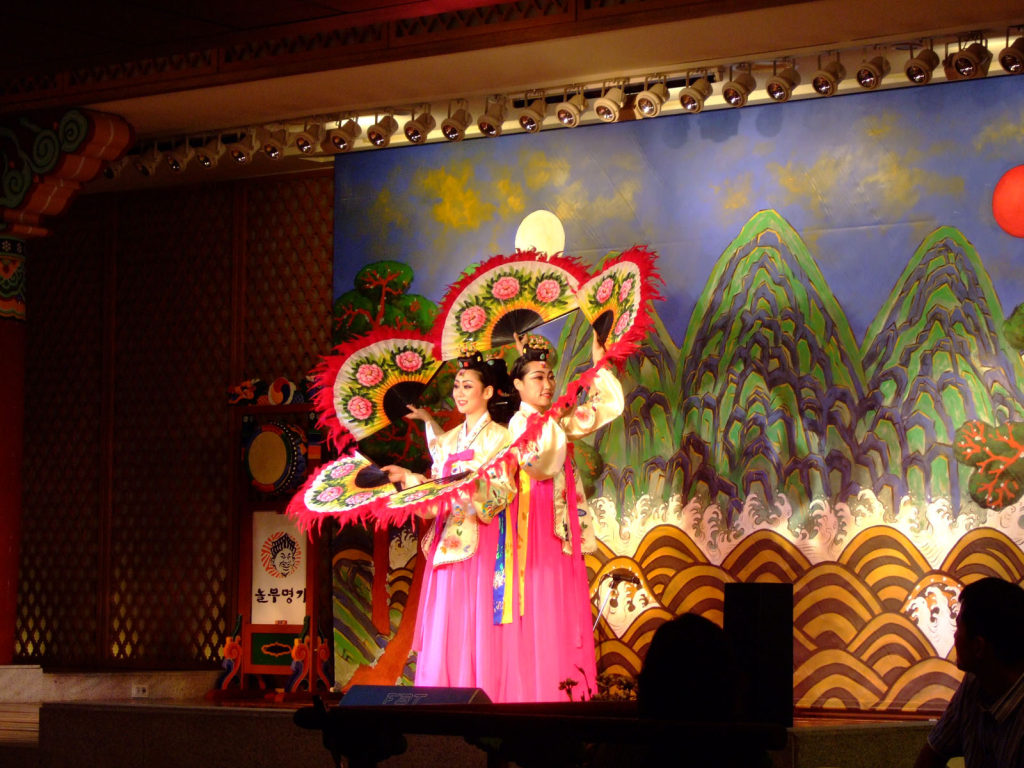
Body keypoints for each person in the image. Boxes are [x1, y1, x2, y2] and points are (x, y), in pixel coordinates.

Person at [382, 351, 514, 697]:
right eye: (456, 385)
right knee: (445, 620)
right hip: (446, 544)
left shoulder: (500, 438)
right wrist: (408, 479)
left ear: (487, 392)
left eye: (467, 385)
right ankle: (441, 696)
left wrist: (471, 486)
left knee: (475, 621)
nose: (459, 392)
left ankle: (479, 693)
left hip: (482, 539)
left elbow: (503, 491)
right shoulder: (446, 441)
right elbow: (431, 502)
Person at [502, 330, 624, 702]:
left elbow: (604, 408)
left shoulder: (555, 419)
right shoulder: (518, 424)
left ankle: (563, 687)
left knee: (562, 604)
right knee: (537, 600)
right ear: (518, 385)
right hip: (532, 522)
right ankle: (533, 690)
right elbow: (540, 463)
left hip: (561, 522)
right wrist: (556, 416)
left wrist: (599, 365)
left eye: (550, 376)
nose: (547, 384)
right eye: (538, 377)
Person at [914, 577, 1024, 768]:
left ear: (978, 647)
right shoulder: (974, 683)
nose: (955, 635)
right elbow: (930, 757)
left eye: (958, 627)